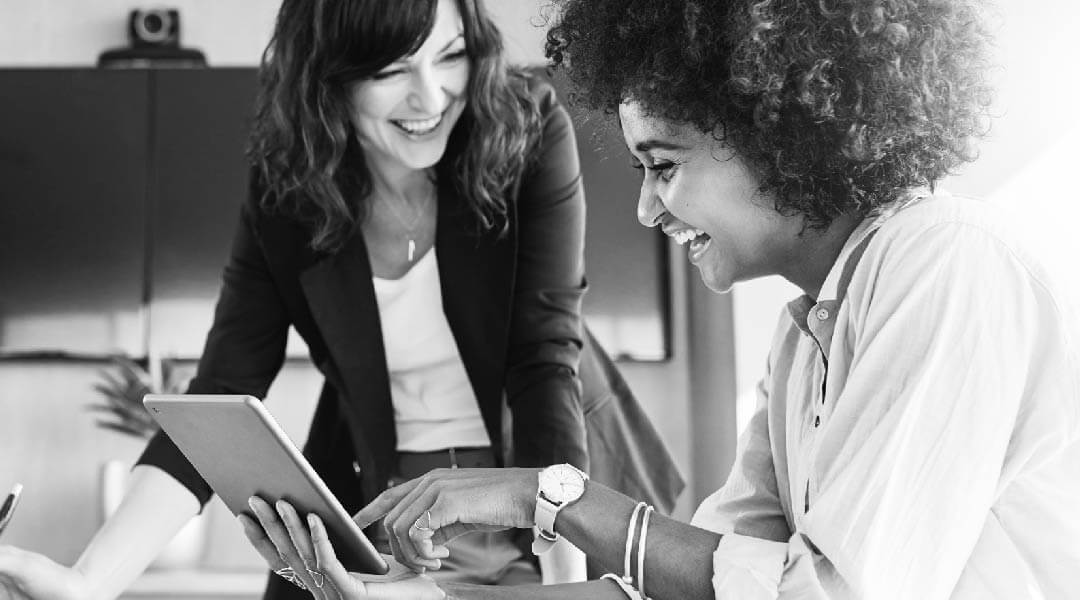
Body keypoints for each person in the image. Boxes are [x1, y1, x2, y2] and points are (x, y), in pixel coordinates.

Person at [232, 0, 1080, 598]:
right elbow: (689, 585)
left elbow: (822, 595)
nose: (644, 209)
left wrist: (544, 496)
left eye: (663, 165)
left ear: (778, 132)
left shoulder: (943, 263)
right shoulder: (805, 340)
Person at [0, 0, 607, 597]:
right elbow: (219, 396)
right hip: (388, 505)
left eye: (451, 56)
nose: (432, 96)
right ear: (327, 79)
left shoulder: (526, 126)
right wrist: (87, 583)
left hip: (540, 483)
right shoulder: (289, 187)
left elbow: (542, 360)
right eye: (390, 70)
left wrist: (567, 584)